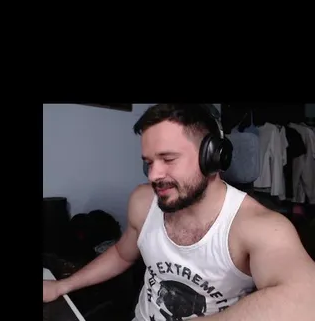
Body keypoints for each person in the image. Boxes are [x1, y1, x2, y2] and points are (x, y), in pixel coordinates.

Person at [42, 104, 315, 320]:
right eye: (149, 162)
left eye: (168, 159)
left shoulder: (259, 226)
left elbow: (306, 300)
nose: (153, 175)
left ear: (212, 156)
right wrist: (62, 286)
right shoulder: (143, 201)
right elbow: (122, 254)